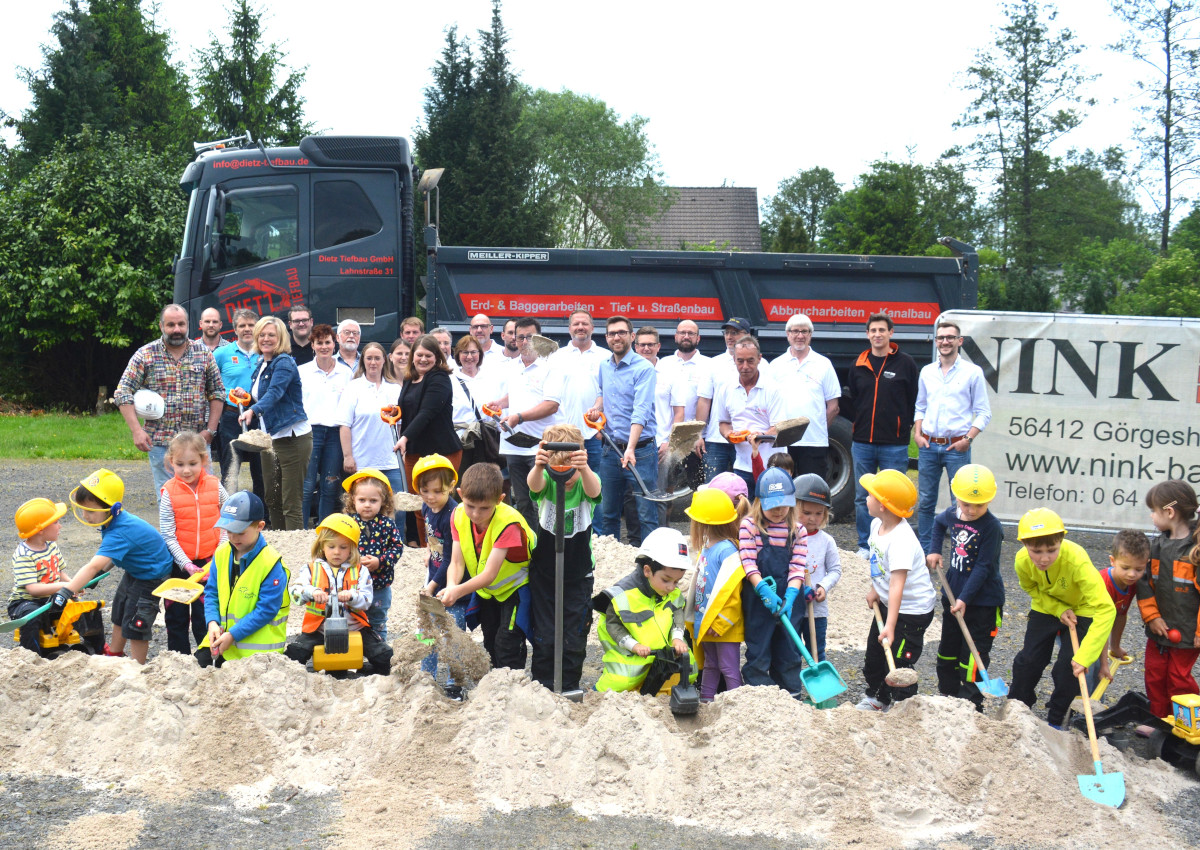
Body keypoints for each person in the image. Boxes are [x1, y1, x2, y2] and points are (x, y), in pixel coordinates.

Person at [1008, 508, 1115, 728]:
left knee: (1070, 666)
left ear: (1061, 541)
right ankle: (1017, 709)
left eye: (1052, 550)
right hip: (1046, 605)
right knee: (1028, 661)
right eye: (1036, 551)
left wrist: (1085, 656)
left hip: (1082, 607)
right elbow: (1031, 588)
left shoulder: (1077, 561)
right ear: (1024, 544)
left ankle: (1057, 719)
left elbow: (1106, 609)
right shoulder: (1021, 561)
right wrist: (1058, 608)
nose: (1044, 558)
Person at [57, 469, 174, 664]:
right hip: (136, 571)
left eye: (91, 511)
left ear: (112, 508)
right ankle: (115, 654)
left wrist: (66, 591)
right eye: (83, 509)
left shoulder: (120, 531)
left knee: (137, 624)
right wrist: (102, 572)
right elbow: (112, 557)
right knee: (119, 611)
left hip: (152, 577)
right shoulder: (113, 521)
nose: (85, 516)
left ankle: (138, 668)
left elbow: (93, 566)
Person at [114, 304, 224, 497]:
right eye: (171, 324)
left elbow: (217, 392)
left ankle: (206, 529)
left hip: (198, 440)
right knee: (169, 499)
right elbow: (123, 392)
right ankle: (171, 529)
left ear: (188, 325)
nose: (176, 330)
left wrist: (211, 430)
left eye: (181, 324)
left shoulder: (203, 353)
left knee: (207, 497)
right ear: (161, 326)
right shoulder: (145, 354)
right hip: (160, 442)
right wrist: (137, 431)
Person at [436, 463, 536, 670]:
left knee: (507, 642)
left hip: (516, 589)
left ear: (500, 500)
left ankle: (511, 685)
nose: (475, 514)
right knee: (489, 639)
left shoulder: (509, 523)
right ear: (460, 494)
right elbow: (456, 560)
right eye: (470, 505)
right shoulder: (457, 515)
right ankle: (494, 688)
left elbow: (490, 573)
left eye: (484, 508)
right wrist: (451, 585)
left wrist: (458, 591)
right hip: (487, 591)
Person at [526, 424, 602, 691]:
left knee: (574, 636)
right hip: (545, 573)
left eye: (569, 471)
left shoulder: (584, 482)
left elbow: (594, 492)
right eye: (557, 470)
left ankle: (569, 685)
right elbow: (533, 485)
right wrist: (538, 466)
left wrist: (583, 469)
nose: (565, 477)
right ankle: (543, 686)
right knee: (545, 636)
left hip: (578, 574)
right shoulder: (546, 482)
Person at [925, 464, 1004, 710]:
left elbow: (983, 567)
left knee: (972, 657)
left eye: (978, 505)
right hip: (953, 595)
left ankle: (971, 703)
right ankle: (947, 698)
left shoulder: (992, 528)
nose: (970, 510)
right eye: (966, 504)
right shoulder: (953, 514)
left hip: (982, 604)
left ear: (989, 501)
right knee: (947, 652)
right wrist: (935, 549)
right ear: (956, 496)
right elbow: (938, 524)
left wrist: (965, 599)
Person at [858, 469, 936, 711]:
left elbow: (896, 585)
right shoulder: (876, 525)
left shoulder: (901, 540)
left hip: (911, 611)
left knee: (899, 662)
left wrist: (890, 625)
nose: (865, 497)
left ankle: (904, 705)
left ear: (883, 505)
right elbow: (879, 565)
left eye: (870, 494)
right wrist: (874, 589)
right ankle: (877, 698)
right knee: (875, 655)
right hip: (888, 604)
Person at [913, 320, 991, 553]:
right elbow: (920, 406)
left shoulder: (972, 372)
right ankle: (925, 551)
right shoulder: (927, 372)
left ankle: (961, 549)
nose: (945, 341)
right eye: (940, 338)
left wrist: (967, 439)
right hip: (928, 446)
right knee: (926, 502)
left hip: (956, 448)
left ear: (960, 341)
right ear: (936, 341)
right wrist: (917, 434)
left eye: (950, 337)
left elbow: (984, 412)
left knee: (961, 502)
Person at [849, 313, 919, 560]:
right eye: (873, 330)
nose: (877, 334)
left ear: (891, 333)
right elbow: (854, 399)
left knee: (893, 498)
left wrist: (904, 426)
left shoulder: (906, 363)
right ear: (867, 334)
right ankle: (866, 546)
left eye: (882, 330)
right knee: (862, 497)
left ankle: (891, 545)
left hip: (894, 444)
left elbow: (913, 399)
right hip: (863, 443)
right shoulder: (859, 363)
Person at [286, 513, 393, 675]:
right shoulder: (311, 568)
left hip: (355, 628)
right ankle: (305, 675)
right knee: (294, 655)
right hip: (319, 629)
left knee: (385, 657)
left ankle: (365, 671)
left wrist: (351, 596)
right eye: (331, 547)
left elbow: (366, 600)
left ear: (352, 548)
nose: (337, 552)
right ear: (322, 546)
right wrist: (311, 591)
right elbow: (294, 592)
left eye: (343, 547)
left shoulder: (360, 570)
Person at [593, 527, 694, 693]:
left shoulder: (672, 594)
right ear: (647, 570)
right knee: (621, 682)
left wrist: (677, 638)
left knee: (690, 669)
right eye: (666, 580)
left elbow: (678, 616)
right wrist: (634, 646)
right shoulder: (622, 595)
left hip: (663, 657)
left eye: (676, 582)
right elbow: (613, 626)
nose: (671, 587)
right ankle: (595, 695)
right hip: (633, 657)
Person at [195, 491, 289, 667]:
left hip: (258, 652)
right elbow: (211, 592)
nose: (233, 537)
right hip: (224, 640)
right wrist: (212, 623)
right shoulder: (222, 553)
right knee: (198, 666)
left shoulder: (271, 563)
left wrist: (233, 634)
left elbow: (266, 610)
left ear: (260, 526)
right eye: (229, 530)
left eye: (240, 532)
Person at [738, 468, 808, 696]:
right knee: (759, 649)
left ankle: (791, 696)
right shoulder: (749, 526)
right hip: (759, 600)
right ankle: (759, 697)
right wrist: (762, 589)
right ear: (759, 502)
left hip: (790, 598)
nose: (778, 511)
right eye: (772, 505)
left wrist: (790, 596)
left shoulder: (797, 531)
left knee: (789, 650)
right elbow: (748, 562)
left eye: (784, 505)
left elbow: (798, 568)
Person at [588, 315, 659, 543]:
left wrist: (630, 448)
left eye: (621, 332)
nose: (616, 337)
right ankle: (611, 563)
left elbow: (641, 411)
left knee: (646, 513)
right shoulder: (604, 366)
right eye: (611, 334)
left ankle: (650, 564)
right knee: (608, 513)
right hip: (610, 450)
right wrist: (597, 408)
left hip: (641, 451)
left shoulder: (644, 368)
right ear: (606, 338)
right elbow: (602, 393)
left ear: (632, 336)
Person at [159, 431, 229, 655]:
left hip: (210, 562)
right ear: (171, 463)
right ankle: (178, 658)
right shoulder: (168, 492)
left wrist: (220, 552)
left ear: (203, 461)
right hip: (180, 564)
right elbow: (168, 535)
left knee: (205, 615)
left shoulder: (216, 487)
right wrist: (185, 563)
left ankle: (206, 656)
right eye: (180, 464)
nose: (186, 470)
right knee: (176, 616)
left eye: (192, 463)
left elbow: (228, 521)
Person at [239, 316, 312, 531]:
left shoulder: (285, 362)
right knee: (271, 497)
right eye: (262, 334)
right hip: (268, 439)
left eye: (271, 334)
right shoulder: (262, 363)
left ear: (280, 337)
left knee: (291, 502)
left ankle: (295, 551)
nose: (266, 338)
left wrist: (253, 409)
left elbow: (275, 393)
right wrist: (248, 398)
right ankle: (279, 545)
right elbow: (263, 397)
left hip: (293, 438)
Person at [489, 318, 562, 531]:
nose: (524, 341)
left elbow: (551, 405)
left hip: (541, 445)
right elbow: (520, 394)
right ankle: (529, 547)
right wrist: (500, 403)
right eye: (519, 337)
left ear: (539, 339)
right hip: (513, 444)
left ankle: (546, 548)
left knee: (541, 500)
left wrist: (518, 417)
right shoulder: (512, 366)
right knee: (521, 500)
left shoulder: (550, 367)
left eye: (530, 337)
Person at [9, 498, 104, 657]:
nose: (60, 526)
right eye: (56, 522)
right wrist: (65, 587)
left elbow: (59, 573)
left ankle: (97, 650)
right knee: (31, 616)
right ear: (40, 529)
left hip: (54, 596)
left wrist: (73, 586)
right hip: (26, 601)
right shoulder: (23, 555)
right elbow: (33, 589)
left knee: (86, 609)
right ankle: (31, 655)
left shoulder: (51, 546)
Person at [1136, 481, 1200, 717]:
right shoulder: (1156, 546)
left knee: (1178, 679)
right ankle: (1159, 720)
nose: (1152, 516)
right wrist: (1152, 617)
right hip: (1159, 632)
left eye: (1154, 510)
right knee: (1154, 674)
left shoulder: (1195, 550)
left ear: (1169, 512)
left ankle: (1189, 722)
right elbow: (1144, 587)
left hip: (1186, 633)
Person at [398, 334, 464, 545]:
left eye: (428, 355)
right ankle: (427, 554)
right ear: (413, 356)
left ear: (437, 357)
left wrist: (405, 436)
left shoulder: (440, 379)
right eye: (419, 355)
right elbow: (412, 408)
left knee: (440, 502)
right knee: (419, 505)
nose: (423, 359)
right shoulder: (410, 378)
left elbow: (427, 412)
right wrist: (397, 410)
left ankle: (448, 551)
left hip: (442, 451)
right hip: (416, 451)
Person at [685, 488, 745, 702]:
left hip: (723, 626)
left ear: (702, 523)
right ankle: (706, 701)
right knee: (710, 665)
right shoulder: (708, 547)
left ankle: (735, 704)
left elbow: (733, 595)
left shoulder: (727, 551)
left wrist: (720, 623)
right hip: (706, 620)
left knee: (728, 667)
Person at [695, 317, 772, 482]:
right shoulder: (713, 364)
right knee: (714, 489)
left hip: (748, 440)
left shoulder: (763, 365)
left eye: (735, 333)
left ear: (747, 335)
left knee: (745, 490)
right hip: (717, 439)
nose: (730, 337)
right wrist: (698, 434)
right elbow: (704, 400)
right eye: (727, 332)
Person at [415, 455, 464, 699]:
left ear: (451, 487)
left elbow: (450, 558)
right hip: (433, 577)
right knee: (426, 632)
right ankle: (427, 678)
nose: (431, 496)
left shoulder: (452, 515)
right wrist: (427, 552)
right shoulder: (426, 507)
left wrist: (433, 586)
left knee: (452, 633)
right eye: (425, 490)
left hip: (452, 584)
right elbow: (431, 538)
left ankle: (455, 682)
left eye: (437, 491)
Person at [771, 313, 841, 479]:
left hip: (814, 443)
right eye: (795, 331)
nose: (800, 336)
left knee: (811, 494)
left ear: (811, 334)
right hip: (783, 444)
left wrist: (818, 430)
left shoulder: (824, 364)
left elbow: (833, 407)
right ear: (788, 334)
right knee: (783, 492)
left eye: (805, 331)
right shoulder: (775, 366)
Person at [714, 336, 786, 493]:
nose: (745, 366)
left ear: (759, 359)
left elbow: (778, 428)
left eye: (750, 361)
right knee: (745, 515)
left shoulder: (773, 389)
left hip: (772, 466)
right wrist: (729, 434)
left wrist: (760, 436)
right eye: (740, 361)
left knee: (773, 515)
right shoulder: (726, 388)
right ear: (734, 359)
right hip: (742, 465)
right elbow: (723, 423)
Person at [299, 323, 353, 527]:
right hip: (309, 432)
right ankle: (301, 531)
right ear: (312, 345)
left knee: (330, 484)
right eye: (319, 343)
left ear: (334, 343)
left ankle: (324, 528)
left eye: (327, 342)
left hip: (335, 434)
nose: (324, 346)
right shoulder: (302, 372)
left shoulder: (345, 373)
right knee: (307, 484)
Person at [342, 470, 403, 642]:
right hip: (352, 587)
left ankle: (379, 655)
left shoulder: (387, 524)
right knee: (353, 622)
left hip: (379, 586)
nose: (367, 505)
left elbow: (397, 547)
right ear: (353, 500)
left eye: (373, 500)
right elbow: (339, 548)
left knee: (378, 622)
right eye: (362, 500)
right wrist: (352, 560)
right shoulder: (348, 523)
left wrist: (380, 561)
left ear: (383, 501)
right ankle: (354, 655)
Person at [336, 341, 404, 496]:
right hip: (362, 462)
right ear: (363, 361)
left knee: (396, 510)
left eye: (377, 358)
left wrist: (403, 454)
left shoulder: (395, 389)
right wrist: (348, 457)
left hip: (392, 461)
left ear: (384, 360)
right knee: (364, 509)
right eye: (369, 358)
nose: (373, 362)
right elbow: (345, 425)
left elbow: (401, 426)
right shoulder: (353, 388)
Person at [1085, 529, 1148, 693]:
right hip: (1083, 625)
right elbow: (1100, 626)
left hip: (1098, 628)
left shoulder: (1131, 583)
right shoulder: (1104, 583)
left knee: (1098, 670)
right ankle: (1079, 708)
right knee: (1090, 667)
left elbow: (1120, 615)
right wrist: (1105, 663)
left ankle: (1096, 707)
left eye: (1139, 569)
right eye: (1126, 567)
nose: (1132, 574)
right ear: (1112, 561)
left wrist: (1115, 646)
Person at [213, 309, 264, 500]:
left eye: (251, 325)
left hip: (258, 417)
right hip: (231, 416)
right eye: (242, 325)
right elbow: (211, 383)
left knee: (260, 469)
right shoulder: (222, 354)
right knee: (230, 466)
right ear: (235, 329)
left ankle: (262, 514)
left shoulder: (265, 352)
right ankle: (228, 509)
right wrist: (229, 394)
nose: (247, 329)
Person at [548, 310, 608, 472]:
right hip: (563, 435)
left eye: (585, 324)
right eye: (576, 324)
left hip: (594, 434)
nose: (580, 327)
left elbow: (611, 395)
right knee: (564, 486)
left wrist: (602, 429)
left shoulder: (606, 357)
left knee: (595, 487)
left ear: (592, 328)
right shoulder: (556, 357)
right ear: (569, 329)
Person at [793, 474, 841, 663]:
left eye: (819, 513)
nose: (813, 518)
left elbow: (835, 570)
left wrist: (823, 586)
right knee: (792, 653)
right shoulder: (789, 537)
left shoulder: (826, 541)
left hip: (817, 609)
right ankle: (792, 688)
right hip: (794, 607)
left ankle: (817, 691)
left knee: (817, 652)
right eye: (806, 513)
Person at [666, 320, 710, 490]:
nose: (686, 336)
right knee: (666, 488)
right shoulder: (664, 364)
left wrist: (698, 434)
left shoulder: (708, 365)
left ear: (698, 338)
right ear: (675, 336)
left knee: (698, 487)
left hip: (696, 438)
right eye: (682, 332)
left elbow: (707, 401)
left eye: (691, 333)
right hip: (669, 438)